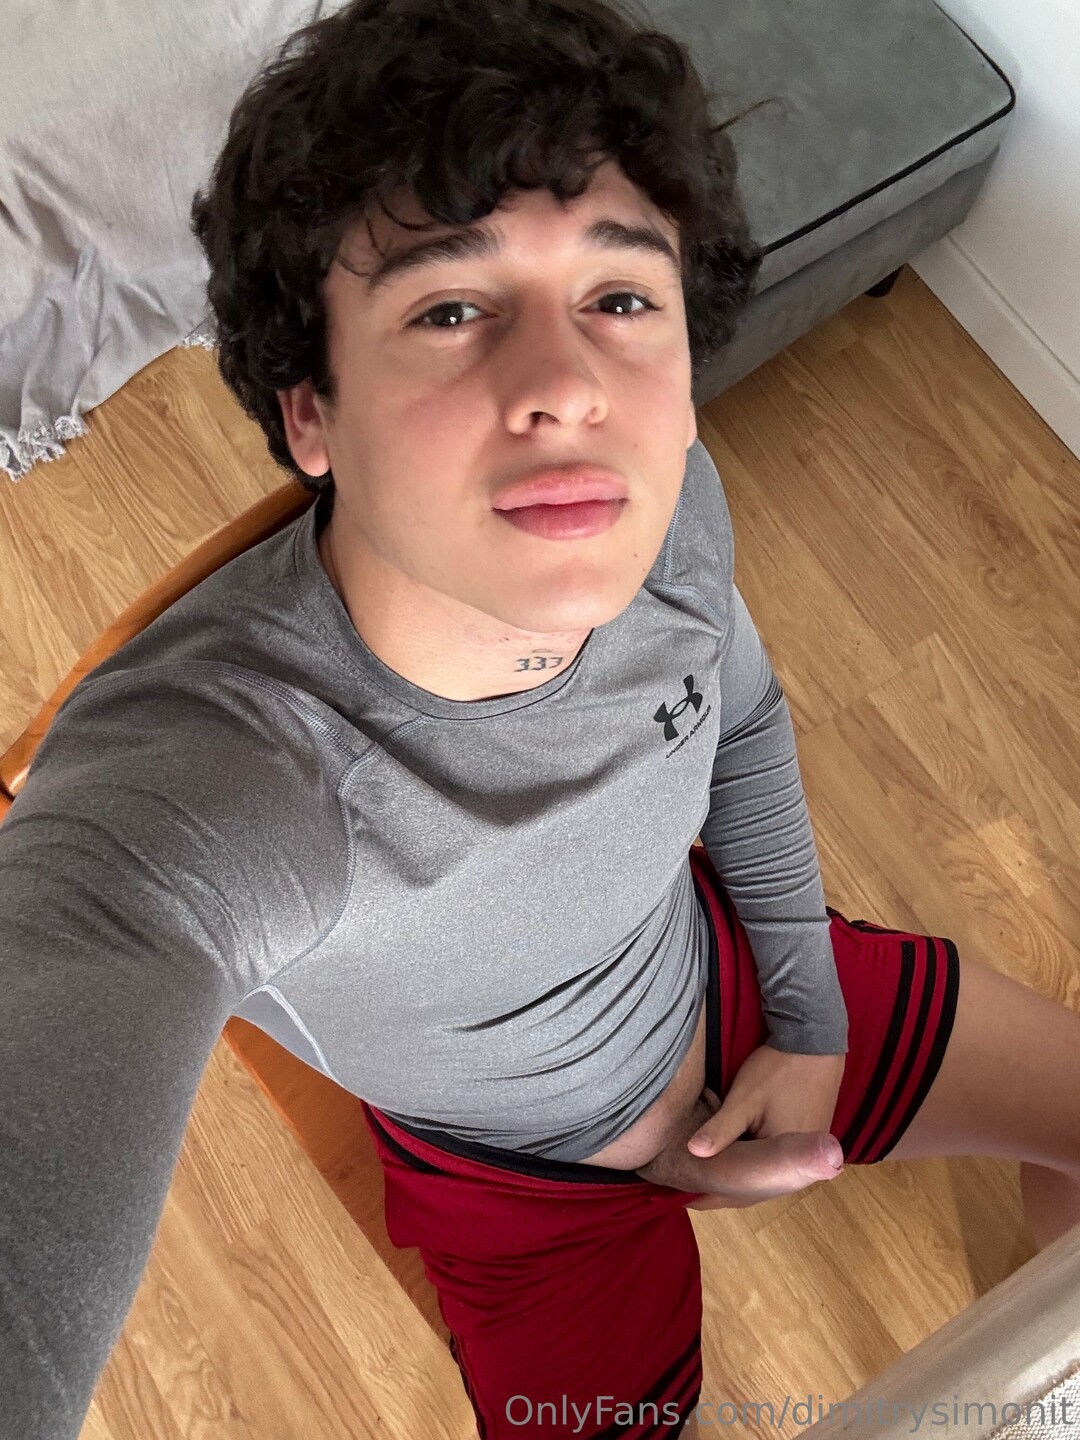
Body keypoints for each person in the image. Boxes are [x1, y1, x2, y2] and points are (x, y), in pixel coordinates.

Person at [2, 0, 1079, 1437]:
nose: (570, 388)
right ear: (312, 412)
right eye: (451, 310)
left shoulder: (668, 506)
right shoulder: (224, 781)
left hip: (729, 977)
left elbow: (739, 719)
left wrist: (807, 1015)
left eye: (620, 299)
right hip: (520, 1192)